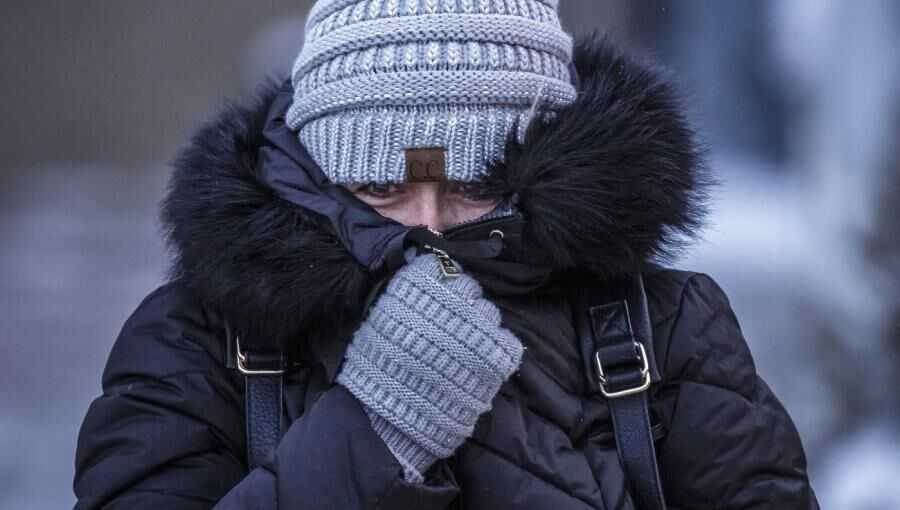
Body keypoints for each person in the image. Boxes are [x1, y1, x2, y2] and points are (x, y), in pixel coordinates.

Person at [73, 1, 820, 508]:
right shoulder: (201, 340)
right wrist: (372, 431)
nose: (428, 230)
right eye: (379, 188)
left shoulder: (664, 328)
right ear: (317, 173)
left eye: (475, 187)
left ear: (548, 166)